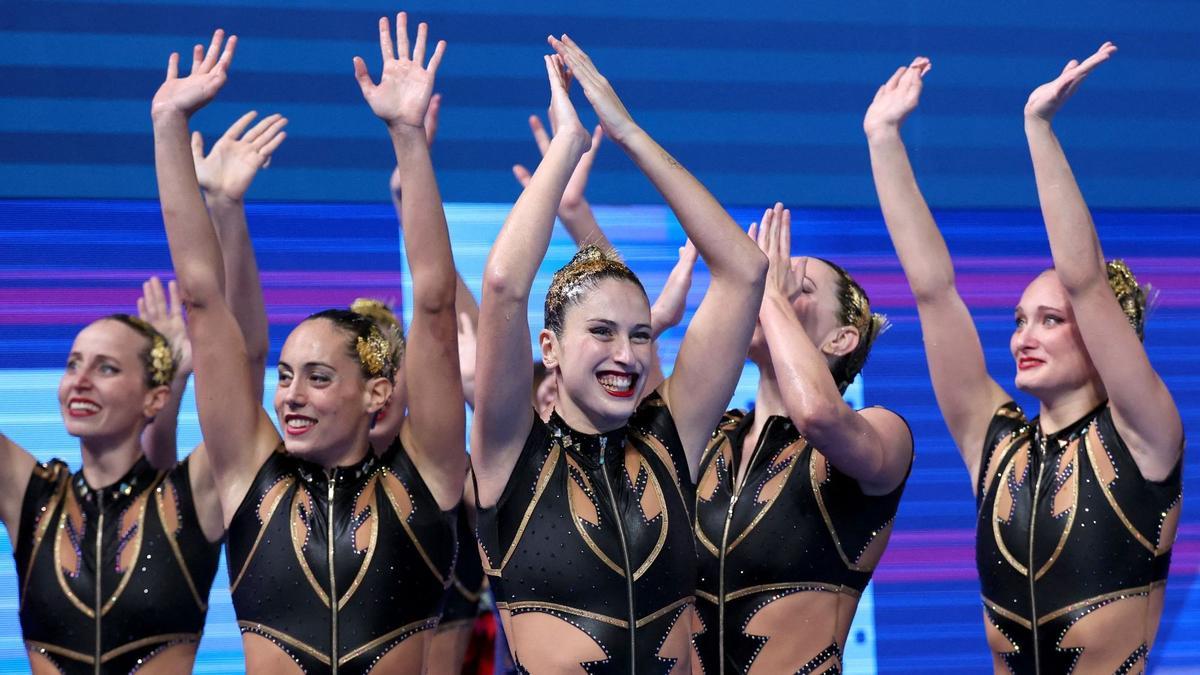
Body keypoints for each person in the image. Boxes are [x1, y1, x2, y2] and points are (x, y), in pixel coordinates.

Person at [151, 17, 466, 672]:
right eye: (287, 375)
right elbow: (205, 302)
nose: (290, 394)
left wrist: (409, 137)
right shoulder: (249, 478)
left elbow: (434, 303)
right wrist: (168, 128)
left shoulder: (424, 479)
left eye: (318, 377)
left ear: (377, 391)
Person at [865, 48, 1182, 672]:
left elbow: (1086, 279)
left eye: (1050, 320)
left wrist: (1038, 128)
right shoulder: (996, 445)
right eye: (1017, 321)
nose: (1022, 338)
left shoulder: (1145, 437)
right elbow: (933, 292)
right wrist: (882, 140)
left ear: (1101, 336)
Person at [471, 34, 766, 671]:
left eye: (639, 335)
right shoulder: (507, 455)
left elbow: (744, 269)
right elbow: (501, 286)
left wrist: (628, 132)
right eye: (602, 332)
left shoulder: (671, 438)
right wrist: (565, 148)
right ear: (548, 347)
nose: (628, 355)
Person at [693, 204, 913, 673]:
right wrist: (582, 224)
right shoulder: (716, 438)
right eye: (775, 277)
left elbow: (816, 413)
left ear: (840, 339)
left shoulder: (884, 432)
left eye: (800, 286)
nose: (774, 287)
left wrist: (768, 294)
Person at [0, 307, 222, 673]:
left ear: (155, 398)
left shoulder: (186, 500)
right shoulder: (33, 494)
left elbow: (247, 363)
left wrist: (203, 309)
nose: (80, 381)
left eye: (106, 368)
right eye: (73, 365)